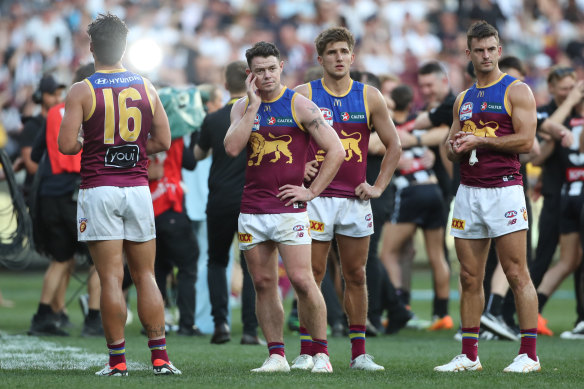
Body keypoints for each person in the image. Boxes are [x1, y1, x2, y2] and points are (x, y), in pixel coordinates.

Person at [58, 13, 180, 376]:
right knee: (147, 276)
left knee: (110, 278)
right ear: (125, 46)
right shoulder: (147, 86)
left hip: (99, 190)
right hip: (137, 188)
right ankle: (160, 359)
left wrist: (91, 140)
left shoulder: (82, 88)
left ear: (92, 47)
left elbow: (66, 145)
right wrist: (134, 149)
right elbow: (163, 141)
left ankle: (118, 363)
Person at [224, 41, 345, 373]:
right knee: (262, 283)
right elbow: (233, 148)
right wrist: (251, 107)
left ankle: (321, 354)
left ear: (282, 66)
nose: (266, 76)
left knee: (303, 280)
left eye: (271, 69)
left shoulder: (299, 105)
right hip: (252, 209)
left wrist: (311, 191)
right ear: (250, 74)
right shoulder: (240, 107)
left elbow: (336, 150)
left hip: (289, 210)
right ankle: (276, 355)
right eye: (259, 71)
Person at [293, 27, 401, 371]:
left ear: (352, 57)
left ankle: (359, 354)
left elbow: (395, 145)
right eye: (332, 52)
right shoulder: (303, 94)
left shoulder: (370, 96)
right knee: (311, 275)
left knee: (356, 274)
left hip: (355, 200)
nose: (339, 58)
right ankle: (309, 351)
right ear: (320, 58)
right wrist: (301, 167)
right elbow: (283, 141)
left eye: (344, 52)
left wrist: (379, 186)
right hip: (316, 199)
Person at [434, 20, 540, 373]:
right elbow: (450, 150)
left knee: (515, 272)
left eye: (490, 48)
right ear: (469, 53)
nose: (485, 55)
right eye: (478, 50)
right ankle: (469, 355)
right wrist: (455, 145)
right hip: (469, 192)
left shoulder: (517, 90)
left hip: (505, 190)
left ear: (499, 49)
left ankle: (529, 354)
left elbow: (525, 142)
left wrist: (481, 140)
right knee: (468, 276)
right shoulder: (462, 99)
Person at [28, 62, 103, 338]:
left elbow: (36, 156)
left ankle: (43, 316)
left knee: (61, 259)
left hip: (49, 195)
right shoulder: (94, 107)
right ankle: (94, 320)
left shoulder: (52, 114)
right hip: (77, 193)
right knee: (99, 260)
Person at [194, 60, 263, 345]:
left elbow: (197, 155)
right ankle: (249, 330)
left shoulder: (213, 119)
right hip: (251, 198)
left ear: (225, 85)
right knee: (251, 265)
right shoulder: (260, 115)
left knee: (216, 260)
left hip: (220, 198)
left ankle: (220, 324)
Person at [378, 82, 451, 332]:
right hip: (434, 189)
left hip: (409, 192)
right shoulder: (419, 121)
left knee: (388, 253)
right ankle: (442, 314)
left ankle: (400, 308)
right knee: (436, 256)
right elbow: (443, 132)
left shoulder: (386, 125)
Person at [148, 86, 202, 337]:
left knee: (158, 267)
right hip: (169, 203)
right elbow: (190, 162)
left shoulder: (137, 129)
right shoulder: (174, 131)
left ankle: (155, 323)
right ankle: (186, 323)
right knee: (188, 265)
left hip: (147, 207)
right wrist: (200, 130)